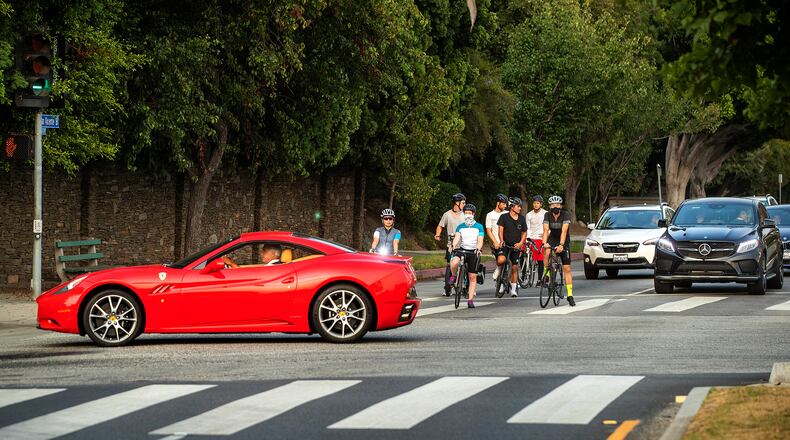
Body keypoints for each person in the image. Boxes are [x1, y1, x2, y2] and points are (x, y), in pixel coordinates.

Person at [448, 204, 484, 308]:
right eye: (466, 213)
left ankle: (470, 300)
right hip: (462, 250)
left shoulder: (479, 227)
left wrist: (478, 248)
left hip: (473, 252)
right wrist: (453, 245)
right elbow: (457, 238)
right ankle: (454, 276)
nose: (467, 215)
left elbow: (480, 240)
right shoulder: (460, 226)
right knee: (454, 262)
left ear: (473, 214)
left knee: (472, 276)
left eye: (470, 213)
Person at [542, 195, 575, 306]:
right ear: (550, 206)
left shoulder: (565, 214)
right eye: (552, 205)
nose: (555, 206)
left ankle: (570, 295)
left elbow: (564, 231)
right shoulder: (547, 215)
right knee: (546, 251)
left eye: (557, 205)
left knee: (567, 268)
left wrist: (561, 245)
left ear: (560, 206)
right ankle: (547, 273)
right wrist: (544, 242)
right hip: (552, 239)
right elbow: (546, 230)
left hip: (563, 241)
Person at [435, 193, 466, 296]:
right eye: (462, 202)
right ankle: (447, 287)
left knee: (465, 264)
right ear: (457, 203)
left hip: (464, 244)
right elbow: (440, 226)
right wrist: (438, 234)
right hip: (451, 245)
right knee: (450, 264)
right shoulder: (447, 214)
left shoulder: (465, 215)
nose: (464, 204)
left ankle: (467, 285)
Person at [497, 196, 527, 297]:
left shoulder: (522, 219)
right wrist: (501, 240)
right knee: (501, 260)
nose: (520, 208)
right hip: (505, 245)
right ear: (512, 206)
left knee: (514, 267)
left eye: (520, 206)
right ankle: (501, 279)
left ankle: (513, 289)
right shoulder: (504, 217)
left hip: (516, 247)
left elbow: (524, 233)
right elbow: (500, 230)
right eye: (518, 206)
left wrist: (520, 243)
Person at [485, 193, 509, 280]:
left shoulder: (507, 213)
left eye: (506, 204)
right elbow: (488, 231)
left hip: (506, 242)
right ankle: (500, 274)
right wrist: (495, 242)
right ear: (498, 203)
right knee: (500, 261)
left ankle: (511, 281)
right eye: (503, 204)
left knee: (507, 261)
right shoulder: (490, 215)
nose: (505, 206)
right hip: (496, 243)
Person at [525, 195, 547, 285]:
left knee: (540, 259)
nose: (536, 205)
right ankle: (523, 274)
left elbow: (548, 226)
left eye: (538, 203)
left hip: (540, 238)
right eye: (534, 203)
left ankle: (539, 279)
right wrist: (528, 238)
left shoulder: (545, 214)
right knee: (523, 253)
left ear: (541, 204)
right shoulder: (529, 215)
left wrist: (546, 234)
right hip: (531, 237)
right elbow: (527, 227)